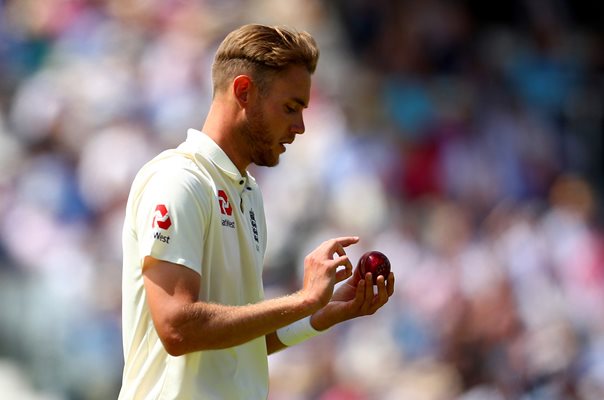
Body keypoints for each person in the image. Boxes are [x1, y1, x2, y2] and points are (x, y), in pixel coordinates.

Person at [119, 23, 395, 400]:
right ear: (244, 91)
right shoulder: (179, 180)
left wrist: (324, 312)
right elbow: (178, 328)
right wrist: (302, 300)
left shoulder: (248, 193)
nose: (299, 127)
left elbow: (238, 340)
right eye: (290, 107)